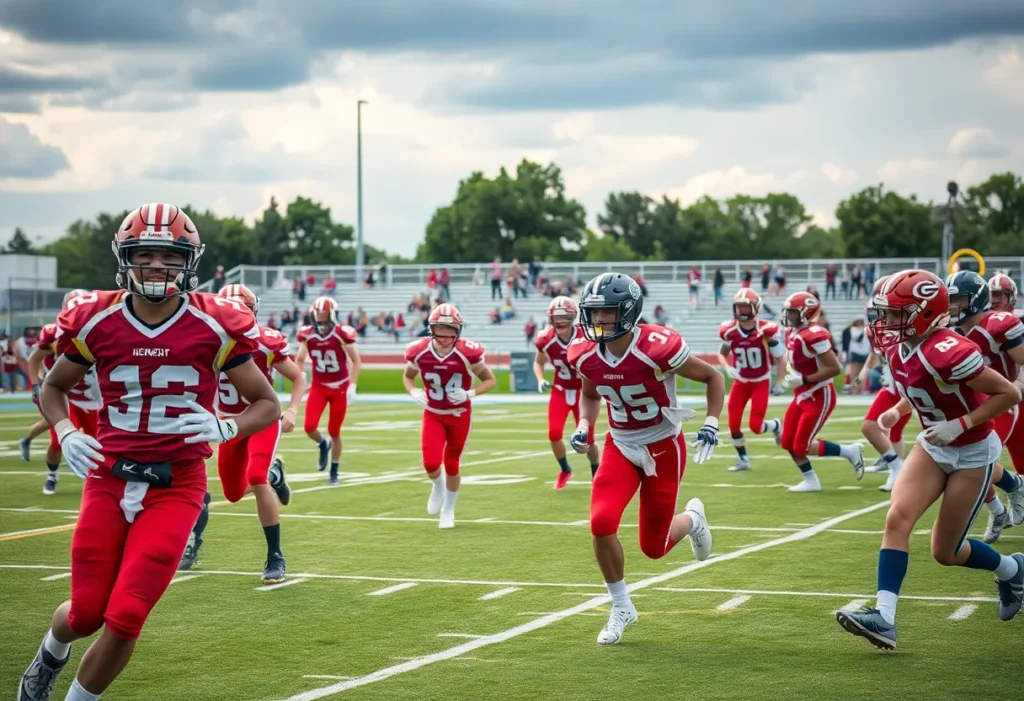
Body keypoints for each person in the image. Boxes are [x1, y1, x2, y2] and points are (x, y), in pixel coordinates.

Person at [18, 203, 280, 701]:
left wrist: (228, 425)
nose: (158, 266)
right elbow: (53, 389)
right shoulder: (96, 319)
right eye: (146, 254)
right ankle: (51, 651)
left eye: (169, 256)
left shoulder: (216, 324)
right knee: (85, 612)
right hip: (108, 477)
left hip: (177, 482)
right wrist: (67, 432)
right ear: (125, 257)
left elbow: (266, 403)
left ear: (189, 261)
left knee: (127, 615)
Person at [836, 269, 1024, 650]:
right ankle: (884, 618)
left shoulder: (951, 350)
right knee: (896, 518)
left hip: (972, 449)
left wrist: (961, 424)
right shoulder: (898, 345)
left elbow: (1008, 394)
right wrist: (897, 411)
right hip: (934, 446)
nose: (885, 322)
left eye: (894, 313)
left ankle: (1012, 569)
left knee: (945, 551)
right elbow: (926, 383)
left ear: (922, 313)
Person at [566, 272, 721, 645]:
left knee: (653, 547)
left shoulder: (657, 347)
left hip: (663, 445)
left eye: (606, 312)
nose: (597, 320)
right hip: (620, 443)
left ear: (628, 311)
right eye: (593, 312)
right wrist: (585, 424)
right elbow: (590, 394)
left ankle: (693, 518)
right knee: (601, 522)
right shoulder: (586, 353)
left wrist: (713, 422)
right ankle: (620, 605)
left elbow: (713, 377)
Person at [178, 284, 308, 583]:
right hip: (228, 423)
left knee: (256, 478)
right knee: (233, 493)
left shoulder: (264, 342)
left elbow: (297, 376)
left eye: (242, 310)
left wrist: (291, 410)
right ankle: (276, 474)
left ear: (253, 313)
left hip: (261, 418)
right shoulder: (208, 341)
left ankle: (275, 554)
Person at [945, 271, 1024, 543]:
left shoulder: (998, 324)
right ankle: (998, 508)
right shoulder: (949, 334)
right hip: (976, 405)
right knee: (970, 463)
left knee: (980, 462)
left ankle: (1012, 491)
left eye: (958, 300)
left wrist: (1017, 385)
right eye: (950, 300)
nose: (952, 306)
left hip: (1002, 403)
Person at [403, 304, 496, 529]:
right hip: (433, 413)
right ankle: (438, 486)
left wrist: (469, 393)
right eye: (441, 333)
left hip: (459, 414)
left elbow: (490, 380)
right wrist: (414, 391)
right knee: (431, 463)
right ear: (431, 330)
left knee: (452, 463)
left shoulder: (467, 353)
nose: (445, 339)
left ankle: (449, 510)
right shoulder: (419, 351)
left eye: (450, 333)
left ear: (458, 331)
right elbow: (408, 377)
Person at [779, 290, 865, 491]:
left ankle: (849, 452)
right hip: (801, 394)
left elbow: (834, 368)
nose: (788, 316)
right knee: (787, 442)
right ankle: (811, 480)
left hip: (819, 394)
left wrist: (804, 379)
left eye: (793, 312)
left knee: (803, 446)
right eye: (788, 311)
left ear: (806, 313)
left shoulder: (814, 335)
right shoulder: (790, 333)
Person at [25, 290, 102, 496]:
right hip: (64, 396)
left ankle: (101, 483)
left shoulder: (101, 328)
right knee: (58, 441)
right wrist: (35, 385)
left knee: (100, 444)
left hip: (95, 398)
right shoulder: (53, 333)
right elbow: (34, 359)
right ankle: (52, 476)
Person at [533, 297, 600, 489]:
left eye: (565, 316)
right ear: (550, 318)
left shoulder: (586, 336)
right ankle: (565, 470)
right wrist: (540, 379)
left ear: (573, 317)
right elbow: (538, 361)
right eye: (557, 317)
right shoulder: (545, 339)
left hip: (583, 392)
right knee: (554, 434)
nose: (561, 321)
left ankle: (596, 471)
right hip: (560, 390)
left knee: (588, 440)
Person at [717, 288, 786, 471]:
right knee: (733, 425)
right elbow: (722, 355)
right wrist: (727, 368)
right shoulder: (729, 331)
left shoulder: (766, 330)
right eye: (738, 307)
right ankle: (744, 459)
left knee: (756, 426)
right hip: (740, 381)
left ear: (755, 308)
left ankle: (775, 425)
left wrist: (779, 382)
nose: (741, 311)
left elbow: (780, 358)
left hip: (760, 382)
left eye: (745, 307)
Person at [295, 296, 361, 485]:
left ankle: (334, 471)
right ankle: (322, 444)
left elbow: (356, 361)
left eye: (325, 319)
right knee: (309, 426)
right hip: (319, 386)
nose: (322, 324)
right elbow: (299, 359)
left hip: (340, 387)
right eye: (319, 319)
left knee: (335, 431)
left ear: (333, 317)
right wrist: (300, 375)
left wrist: (353, 386)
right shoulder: (308, 335)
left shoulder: (342, 335)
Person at [858, 276, 910, 493]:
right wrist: (863, 373)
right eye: (877, 314)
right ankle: (897, 470)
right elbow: (876, 352)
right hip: (894, 385)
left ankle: (899, 470)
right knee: (887, 430)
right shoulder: (878, 331)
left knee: (874, 427)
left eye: (888, 313)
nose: (880, 320)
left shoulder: (910, 325)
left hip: (909, 386)